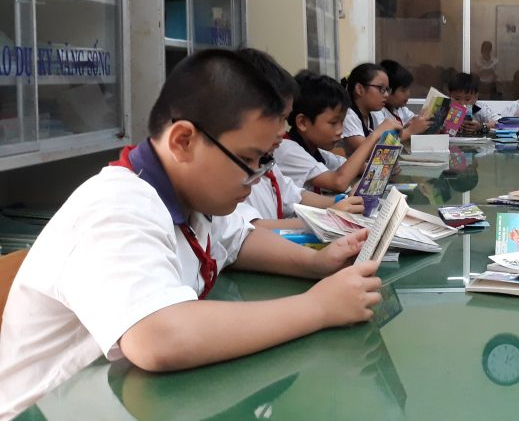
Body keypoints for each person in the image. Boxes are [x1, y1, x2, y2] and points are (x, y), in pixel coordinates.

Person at [0, 50, 383, 419]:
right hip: (48, 409)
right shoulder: (116, 209)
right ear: (183, 141)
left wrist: (317, 263)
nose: (256, 177)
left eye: (263, 161)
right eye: (247, 160)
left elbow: (240, 239)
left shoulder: (191, 195)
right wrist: (318, 308)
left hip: (122, 397)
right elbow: (158, 337)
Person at [235, 49, 366, 229]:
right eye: (277, 119)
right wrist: (328, 217)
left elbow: (295, 195)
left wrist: (340, 202)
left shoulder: (266, 161)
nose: (282, 131)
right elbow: (249, 229)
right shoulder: (285, 149)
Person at [275, 70, 399, 194]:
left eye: (342, 122)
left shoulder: (318, 154)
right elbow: (339, 181)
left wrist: (385, 168)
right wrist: (375, 135)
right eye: (333, 123)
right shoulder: (287, 150)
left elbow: (353, 167)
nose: (340, 131)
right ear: (302, 123)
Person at [340, 63, 400, 155]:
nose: (386, 95)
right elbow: (367, 152)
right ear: (360, 89)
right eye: (381, 88)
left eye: (387, 89)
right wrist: (410, 131)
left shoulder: (373, 114)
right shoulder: (348, 116)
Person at [374, 59, 431, 142]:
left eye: (408, 89)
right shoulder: (377, 112)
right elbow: (382, 143)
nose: (408, 94)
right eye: (403, 90)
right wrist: (411, 130)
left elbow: (413, 120)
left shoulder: (400, 108)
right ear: (388, 90)